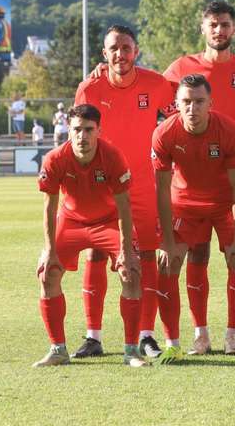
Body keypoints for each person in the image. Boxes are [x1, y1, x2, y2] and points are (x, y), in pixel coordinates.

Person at [161, 1, 235, 355]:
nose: (219, 30)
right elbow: (163, 107)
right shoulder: (179, 68)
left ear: (234, 29)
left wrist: (234, 135)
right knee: (197, 256)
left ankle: (234, 332)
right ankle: (199, 333)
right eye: (213, 24)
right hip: (190, 187)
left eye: (225, 24)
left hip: (231, 180)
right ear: (202, 29)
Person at [73, 25, 177, 360]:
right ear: (104, 54)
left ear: (137, 50)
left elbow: (178, 120)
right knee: (96, 254)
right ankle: (93, 337)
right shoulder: (90, 87)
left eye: (127, 47)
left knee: (146, 257)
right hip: (101, 188)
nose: (121, 54)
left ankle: (146, 335)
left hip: (143, 186)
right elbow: (78, 140)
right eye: (114, 48)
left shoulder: (156, 84)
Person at [151, 74, 235, 365]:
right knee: (168, 263)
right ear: (176, 104)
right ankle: (177, 342)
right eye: (186, 102)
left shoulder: (230, 131)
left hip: (225, 205)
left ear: (211, 103)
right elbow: (160, 190)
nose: (192, 108)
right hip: (185, 206)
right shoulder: (165, 133)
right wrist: (166, 240)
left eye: (199, 102)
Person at [32, 104, 146, 368]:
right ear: (67, 130)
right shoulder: (55, 159)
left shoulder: (112, 156)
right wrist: (49, 249)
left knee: (131, 272)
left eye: (88, 129)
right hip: (71, 221)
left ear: (98, 131)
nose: (82, 136)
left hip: (108, 222)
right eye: (76, 130)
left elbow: (124, 206)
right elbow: (50, 207)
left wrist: (127, 250)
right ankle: (58, 349)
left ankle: (131, 351)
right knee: (47, 273)